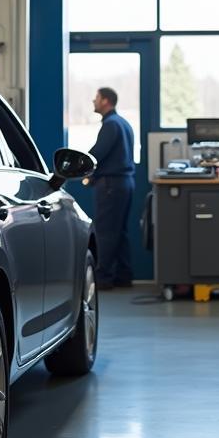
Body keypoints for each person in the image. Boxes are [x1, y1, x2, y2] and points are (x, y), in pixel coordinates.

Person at [89, 87, 136, 290]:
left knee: (106, 232)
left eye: (97, 98)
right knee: (120, 231)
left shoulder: (110, 125)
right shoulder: (123, 123)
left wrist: (78, 164)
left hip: (110, 185)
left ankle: (104, 278)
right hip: (125, 183)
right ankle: (124, 276)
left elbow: (98, 153)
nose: (94, 101)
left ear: (106, 101)